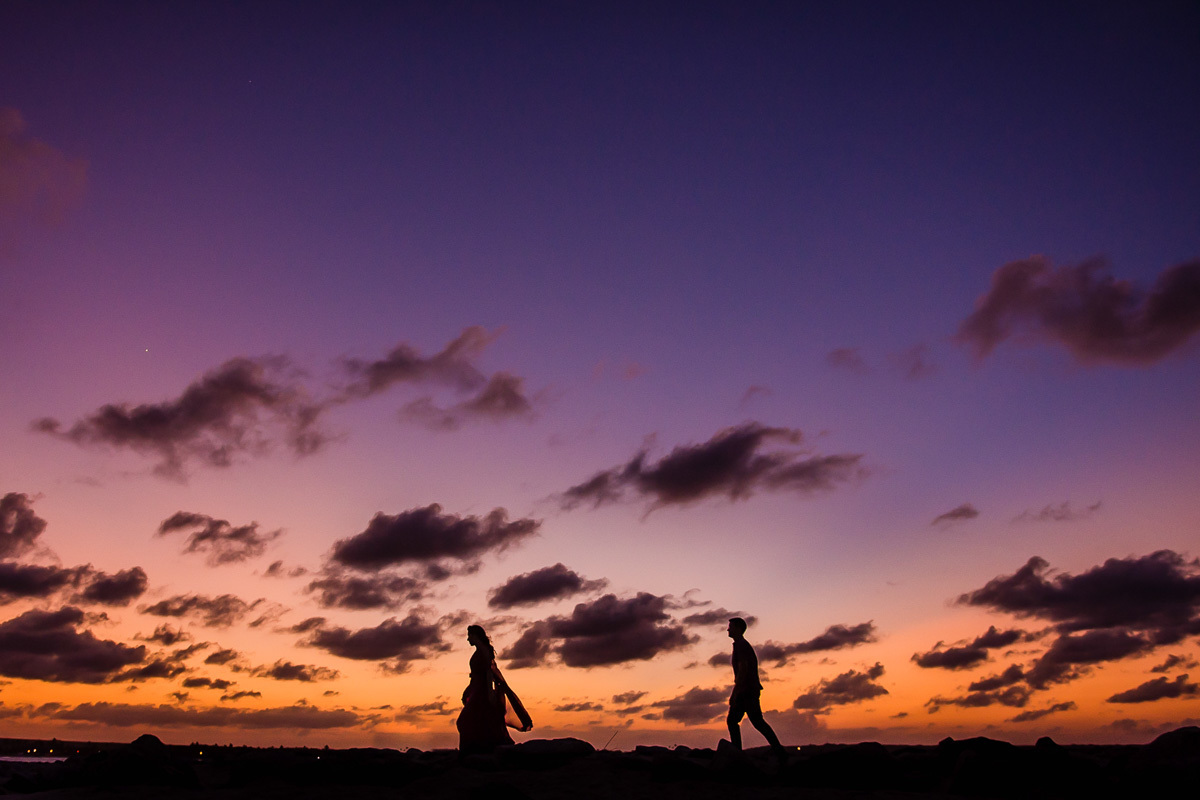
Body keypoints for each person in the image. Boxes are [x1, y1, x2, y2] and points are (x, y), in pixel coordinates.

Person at [457, 625, 532, 753]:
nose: (468, 639)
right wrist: (469, 689)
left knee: (466, 720)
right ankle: (477, 749)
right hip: (475, 687)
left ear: (476, 636)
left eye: (469, 636)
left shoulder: (484, 651)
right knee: (478, 720)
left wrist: (490, 693)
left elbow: (489, 674)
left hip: (482, 690)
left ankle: (476, 749)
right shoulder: (479, 651)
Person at [726, 617, 786, 759]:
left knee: (739, 721)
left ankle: (737, 755)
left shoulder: (742, 645)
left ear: (739, 629)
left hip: (746, 691)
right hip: (748, 690)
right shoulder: (740, 645)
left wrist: (735, 694)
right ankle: (780, 752)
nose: (728, 629)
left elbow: (743, 670)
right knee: (755, 722)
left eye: (731, 627)